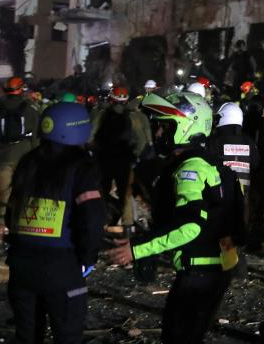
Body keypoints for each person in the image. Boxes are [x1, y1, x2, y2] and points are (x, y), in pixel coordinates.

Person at [106, 90, 244, 344]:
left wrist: (137, 249)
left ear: (186, 127)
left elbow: (190, 225)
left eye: (166, 127)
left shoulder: (190, 169)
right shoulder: (210, 163)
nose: (159, 133)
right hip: (218, 268)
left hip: (198, 273)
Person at [6, 102, 105, 344]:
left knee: (27, 335)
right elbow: (91, 218)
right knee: (67, 335)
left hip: (21, 264)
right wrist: (88, 257)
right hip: (62, 266)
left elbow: (11, 212)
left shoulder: (28, 162)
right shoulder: (81, 166)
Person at [0, 76, 40, 244]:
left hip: (3, 157)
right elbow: (37, 137)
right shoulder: (31, 108)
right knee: (24, 195)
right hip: (25, 156)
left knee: (2, 196)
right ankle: (21, 232)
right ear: (21, 89)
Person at [91, 86, 150, 226]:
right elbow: (142, 140)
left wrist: (95, 151)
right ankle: (127, 225)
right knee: (126, 192)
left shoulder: (102, 113)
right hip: (124, 159)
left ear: (111, 98)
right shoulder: (133, 115)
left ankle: (100, 222)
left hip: (104, 158)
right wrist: (134, 156)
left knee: (102, 190)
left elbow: (90, 135)